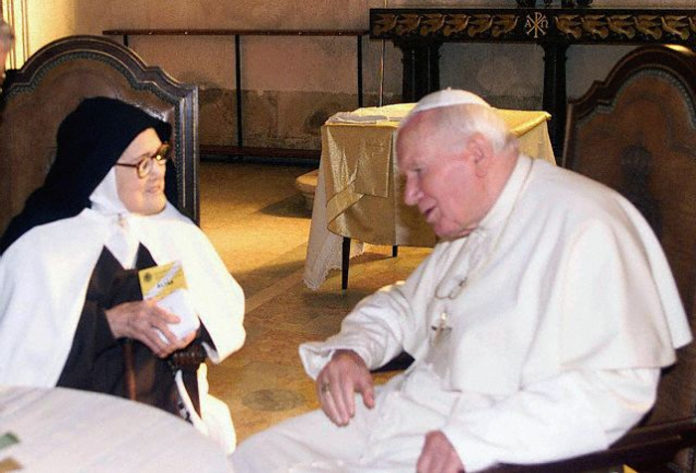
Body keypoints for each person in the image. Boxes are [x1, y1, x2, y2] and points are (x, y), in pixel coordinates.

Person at [231, 89, 691, 473]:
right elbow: (405, 304)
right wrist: (357, 348)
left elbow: (616, 389)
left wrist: (473, 441)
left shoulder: (588, 225)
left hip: (491, 440)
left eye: (418, 172)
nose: (409, 196)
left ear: (476, 154)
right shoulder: (475, 219)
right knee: (255, 458)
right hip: (407, 411)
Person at [0, 97, 245, 453]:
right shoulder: (41, 244)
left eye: (159, 156)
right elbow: (19, 352)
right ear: (99, 170)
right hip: (70, 421)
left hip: (160, 411)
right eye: (142, 164)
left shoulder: (170, 232)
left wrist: (190, 326)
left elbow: (218, 319)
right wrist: (109, 323)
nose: (159, 172)